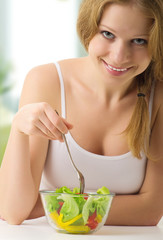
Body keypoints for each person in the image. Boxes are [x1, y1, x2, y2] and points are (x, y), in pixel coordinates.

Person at [0, 0, 163, 226]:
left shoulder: (159, 96)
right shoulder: (46, 81)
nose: (119, 56)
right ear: (88, 28)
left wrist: (51, 204)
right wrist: (19, 128)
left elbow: (150, 211)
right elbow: (13, 211)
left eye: (139, 41)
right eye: (107, 34)